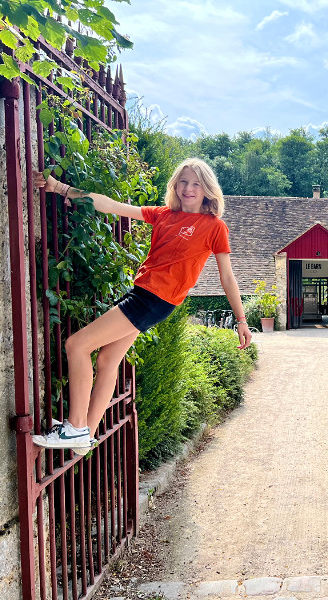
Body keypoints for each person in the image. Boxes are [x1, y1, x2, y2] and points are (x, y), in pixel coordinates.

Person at [32, 158, 252, 454]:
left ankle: (75, 429)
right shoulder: (163, 215)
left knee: (76, 345)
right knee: (108, 361)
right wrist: (59, 188)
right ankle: (86, 434)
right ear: (175, 185)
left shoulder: (214, 227)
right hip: (144, 294)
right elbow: (110, 205)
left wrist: (240, 319)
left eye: (196, 183)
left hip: (154, 299)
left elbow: (227, 276)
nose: (188, 188)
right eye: (183, 181)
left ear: (207, 190)